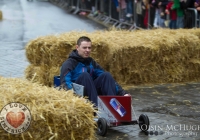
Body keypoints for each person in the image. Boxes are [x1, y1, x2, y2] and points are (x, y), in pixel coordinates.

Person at [60, 36, 130, 107]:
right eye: (84, 48)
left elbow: (106, 78)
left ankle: (113, 108)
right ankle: (95, 109)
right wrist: (76, 96)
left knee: (106, 75)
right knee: (85, 76)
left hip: (91, 91)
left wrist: (123, 93)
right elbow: (65, 83)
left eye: (89, 48)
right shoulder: (69, 64)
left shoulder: (91, 62)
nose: (87, 50)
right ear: (77, 47)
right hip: (79, 94)